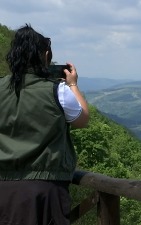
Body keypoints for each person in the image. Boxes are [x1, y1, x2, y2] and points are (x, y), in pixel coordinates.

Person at [0, 24, 89, 225]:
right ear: (46, 54)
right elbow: (82, 119)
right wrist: (73, 84)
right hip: (45, 189)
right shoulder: (56, 90)